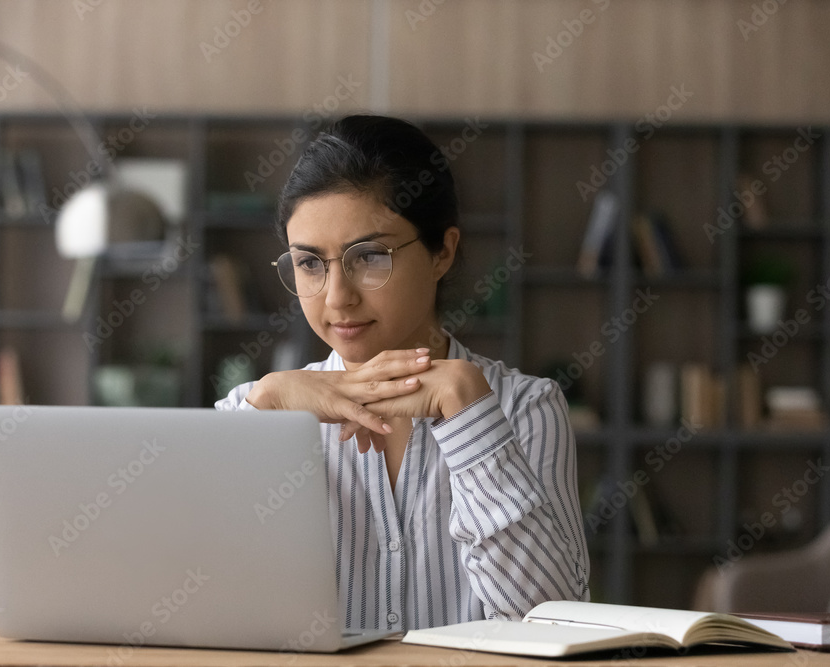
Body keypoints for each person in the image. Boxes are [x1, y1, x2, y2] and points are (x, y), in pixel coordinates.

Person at [216, 114, 589, 631]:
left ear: (443, 251)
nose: (337, 297)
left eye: (368, 256)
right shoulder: (251, 413)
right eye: (309, 263)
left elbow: (555, 621)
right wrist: (269, 406)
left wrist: (471, 421)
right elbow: (190, 602)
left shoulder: (526, 408)